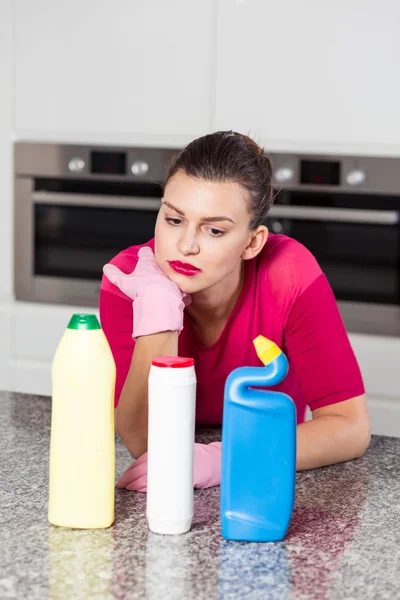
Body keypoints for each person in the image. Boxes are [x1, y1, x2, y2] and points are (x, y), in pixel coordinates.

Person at [100, 131, 371, 492]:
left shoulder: (289, 273)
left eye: (214, 230)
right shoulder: (131, 279)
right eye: (174, 220)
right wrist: (159, 309)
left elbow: (350, 427)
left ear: (252, 242)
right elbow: (146, 443)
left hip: (266, 484)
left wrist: (225, 459)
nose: (185, 246)